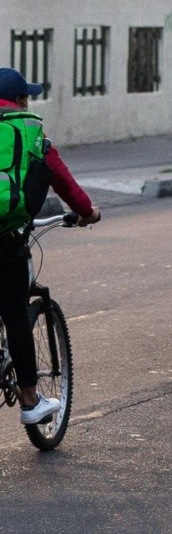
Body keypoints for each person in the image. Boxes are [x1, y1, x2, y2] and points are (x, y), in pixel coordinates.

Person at [0, 67, 100, 425]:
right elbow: (64, 183)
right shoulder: (32, 135)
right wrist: (87, 212)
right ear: (21, 100)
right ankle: (30, 400)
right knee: (14, 313)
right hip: (6, 240)